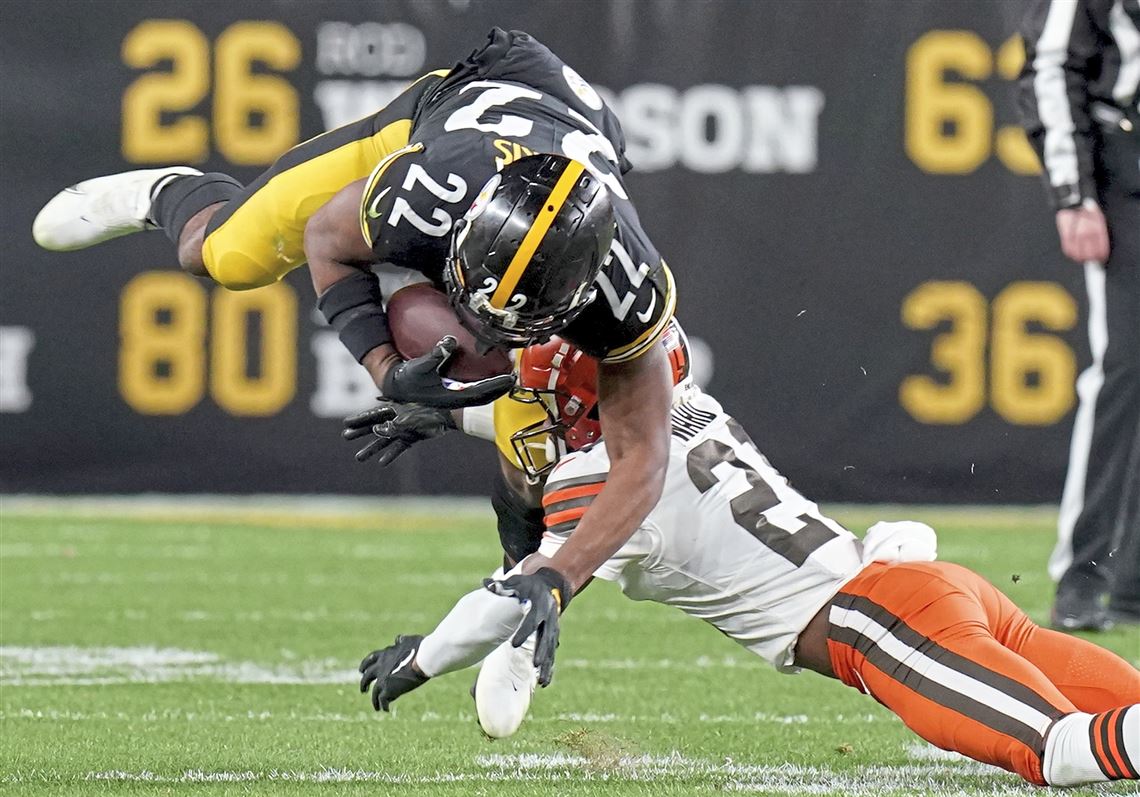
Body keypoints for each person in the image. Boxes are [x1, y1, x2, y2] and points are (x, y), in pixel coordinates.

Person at [33, 29, 678, 611]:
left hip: (564, 164)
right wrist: (386, 368)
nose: (481, 325)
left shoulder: (627, 282)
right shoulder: (431, 189)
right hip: (458, 114)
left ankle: (512, 604)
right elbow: (326, 240)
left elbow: (644, 457)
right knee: (225, 255)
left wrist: (556, 578)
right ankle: (167, 192)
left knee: (538, 431)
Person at [353, 335, 1140, 788]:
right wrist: (451, 413)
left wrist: (421, 660)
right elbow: (605, 386)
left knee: (1064, 751)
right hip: (929, 590)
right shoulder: (689, 406)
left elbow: (513, 591)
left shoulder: (603, 483)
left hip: (881, 623)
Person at [1017, 0, 1140, 631]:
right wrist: (1073, 192)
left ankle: (1130, 583)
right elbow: (1050, 63)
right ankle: (1086, 574)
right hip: (1129, 169)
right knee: (1124, 370)